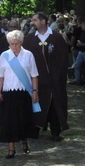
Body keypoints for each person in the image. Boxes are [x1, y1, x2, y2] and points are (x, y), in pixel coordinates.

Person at [23, 12, 69, 141]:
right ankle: (34, 129)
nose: (33, 22)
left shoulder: (56, 38)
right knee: (36, 104)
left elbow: (63, 59)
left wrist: (58, 77)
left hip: (53, 80)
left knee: (55, 105)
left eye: (35, 20)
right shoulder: (30, 39)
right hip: (36, 80)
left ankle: (55, 131)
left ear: (43, 21)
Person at [0, 30, 39, 158]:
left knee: (23, 119)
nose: (14, 46)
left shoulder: (28, 55)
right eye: (12, 44)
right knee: (8, 122)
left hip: (24, 93)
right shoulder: (4, 55)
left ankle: (24, 141)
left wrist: (35, 92)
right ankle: (11, 149)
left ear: (21, 43)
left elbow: (34, 75)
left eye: (17, 44)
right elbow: (0, 77)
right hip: (8, 93)